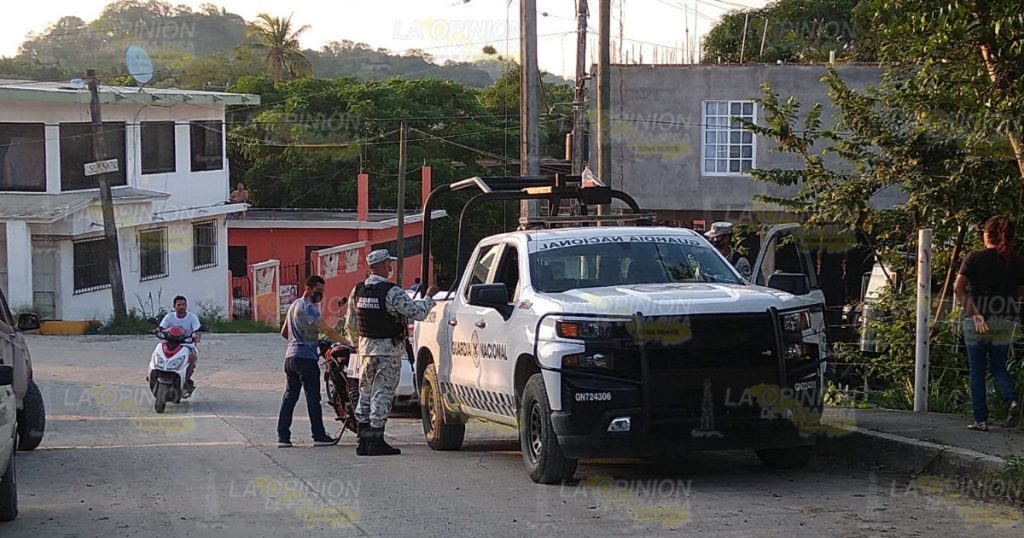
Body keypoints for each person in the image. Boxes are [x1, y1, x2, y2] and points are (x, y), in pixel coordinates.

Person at [346, 249, 439, 456]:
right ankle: (376, 441)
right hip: (387, 351)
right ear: (381, 265)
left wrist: (357, 345)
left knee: (365, 393)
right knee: (383, 394)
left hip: (365, 351)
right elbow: (417, 312)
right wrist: (430, 297)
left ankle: (363, 441)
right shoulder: (391, 291)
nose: (390, 267)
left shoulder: (358, 290)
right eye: (388, 263)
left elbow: (350, 323)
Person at [955, 216, 1024, 432]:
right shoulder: (1017, 261)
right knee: (998, 366)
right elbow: (1020, 293)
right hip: (1003, 318)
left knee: (977, 369)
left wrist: (975, 314)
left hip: (977, 319)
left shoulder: (974, 258)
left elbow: (959, 288)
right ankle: (1011, 400)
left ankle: (981, 420)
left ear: (986, 234)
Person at [277, 275, 352, 448]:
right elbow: (325, 328)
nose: (320, 295)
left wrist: (306, 339)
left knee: (290, 397)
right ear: (308, 288)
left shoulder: (294, 305)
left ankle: (283, 437)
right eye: (318, 291)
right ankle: (318, 435)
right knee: (313, 398)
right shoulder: (309, 308)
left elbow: (284, 332)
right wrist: (348, 343)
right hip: (306, 359)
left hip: (290, 358)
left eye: (323, 292)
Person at [158, 296, 202, 396]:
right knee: (158, 352)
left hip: (186, 344)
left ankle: (185, 381)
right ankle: (154, 372)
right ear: (174, 306)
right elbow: (161, 327)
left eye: (183, 304)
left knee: (192, 358)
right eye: (179, 305)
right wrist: (157, 330)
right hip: (170, 342)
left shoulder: (192, 317)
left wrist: (197, 336)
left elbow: (197, 330)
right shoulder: (169, 317)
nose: (181, 307)